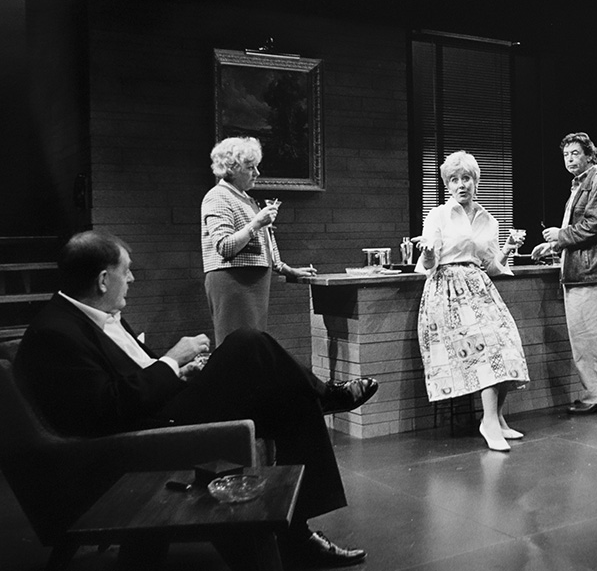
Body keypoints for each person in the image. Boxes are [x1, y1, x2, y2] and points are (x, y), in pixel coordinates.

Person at [14, 231, 374, 567]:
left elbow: (132, 376)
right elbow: (107, 409)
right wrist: (172, 360)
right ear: (104, 280)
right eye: (127, 272)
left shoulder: (95, 316)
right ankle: (324, 396)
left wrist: (181, 372)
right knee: (248, 342)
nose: (133, 279)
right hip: (142, 437)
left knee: (283, 398)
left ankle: (297, 532)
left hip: (160, 408)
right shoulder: (56, 333)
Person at [416, 151, 529, 453]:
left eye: (466, 178)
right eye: (454, 179)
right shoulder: (438, 215)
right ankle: (488, 423)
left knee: (507, 344)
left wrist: (507, 247)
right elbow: (428, 263)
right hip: (447, 291)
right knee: (486, 350)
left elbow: (491, 265)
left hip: (479, 287)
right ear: (447, 184)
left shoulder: (487, 219)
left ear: (475, 181)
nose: (460, 184)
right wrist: (428, 251)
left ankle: (497, 418)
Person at [201, 136, 318, 345]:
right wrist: (255, 223)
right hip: (234, 283)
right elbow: (224, 246)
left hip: (253, 285)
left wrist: (287, 270)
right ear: (232, 168)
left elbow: (262, 247)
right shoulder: (217, 196)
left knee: (252, 346)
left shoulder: (245, 199)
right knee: (236, 346)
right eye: (250, 168)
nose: (257, 173)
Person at [531, 132, 597, 415]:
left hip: (587, 272)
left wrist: (561, 234)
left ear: (590, 155)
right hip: (579, 270)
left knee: (586, 337)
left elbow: (596, 225)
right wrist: (554, 245)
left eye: (575, 153)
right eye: (566, 155)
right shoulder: (581, 185)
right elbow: (583, 229)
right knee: (586, 337)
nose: (569, 159)